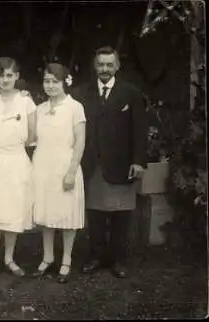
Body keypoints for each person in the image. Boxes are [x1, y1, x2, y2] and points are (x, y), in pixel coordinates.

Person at [75, 46, 147, 278]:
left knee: (121, 215)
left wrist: (138, 161)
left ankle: (119, 260)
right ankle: (96, 256)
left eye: (109, 65)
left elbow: (140, 129)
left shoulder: (130, 93)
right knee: (94, 214)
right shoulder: (81, 93)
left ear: (117, 66)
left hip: (122, 163)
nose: (104, 69)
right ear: (94, 66)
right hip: (92, 164)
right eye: (100, 65)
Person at [0, 57, 36, 279]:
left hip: (16, 159)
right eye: (1, 75)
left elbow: (31, 135)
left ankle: (9, 258)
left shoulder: (26, 102)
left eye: (10, 75)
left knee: (13, 209)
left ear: (17, 76)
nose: (5, 80)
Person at [30, 62, 86, 284]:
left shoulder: (75, 107)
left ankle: (66, 260)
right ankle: (47, 257)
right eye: (47, 81)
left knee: (66, 214)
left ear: (65, 82)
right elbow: (31, 138)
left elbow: (80, 140)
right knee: (47, 214)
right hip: (43, 165)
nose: (50, 85)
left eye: (55, 81)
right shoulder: (39, 109)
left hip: (65, 164)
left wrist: (71, 171)